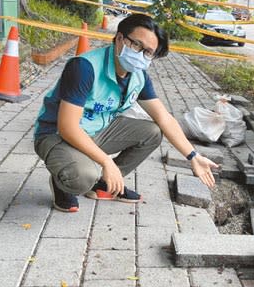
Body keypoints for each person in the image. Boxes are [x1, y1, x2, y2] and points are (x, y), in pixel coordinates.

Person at [34, 14, 219, 212]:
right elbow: (67, 127)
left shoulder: (138, 76)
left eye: (148, 52)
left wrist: (193, 156)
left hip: (97, 130)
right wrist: (106, 161)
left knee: (153, 132)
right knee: (81, 177)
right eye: (137, 45)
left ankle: (104, 184)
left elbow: (164, 117)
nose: (140, 54)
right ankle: (63, 181)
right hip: (57, 135)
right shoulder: (84, 67)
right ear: (120, 38)